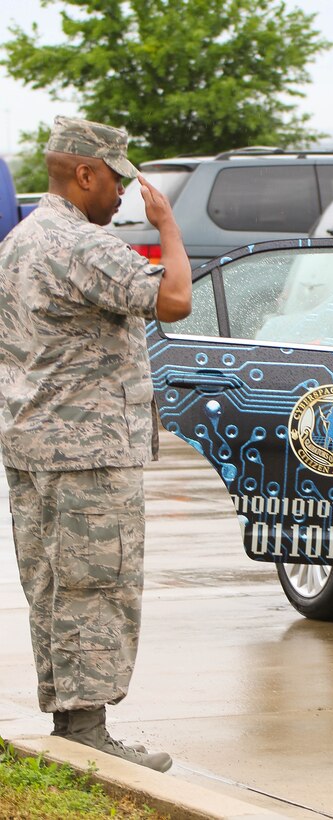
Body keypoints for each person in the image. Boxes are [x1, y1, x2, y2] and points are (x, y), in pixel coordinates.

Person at [0, 116, 192, 772]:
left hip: (30, 447)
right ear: (85, 173)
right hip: (88, 452)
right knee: (96, 585)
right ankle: (87, 732)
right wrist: (167, 224)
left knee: (55, 586)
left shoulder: (20, 240)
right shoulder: (82, 244)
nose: (122, 195)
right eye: (116, 180)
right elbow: (173, 298)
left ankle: (69, 717)